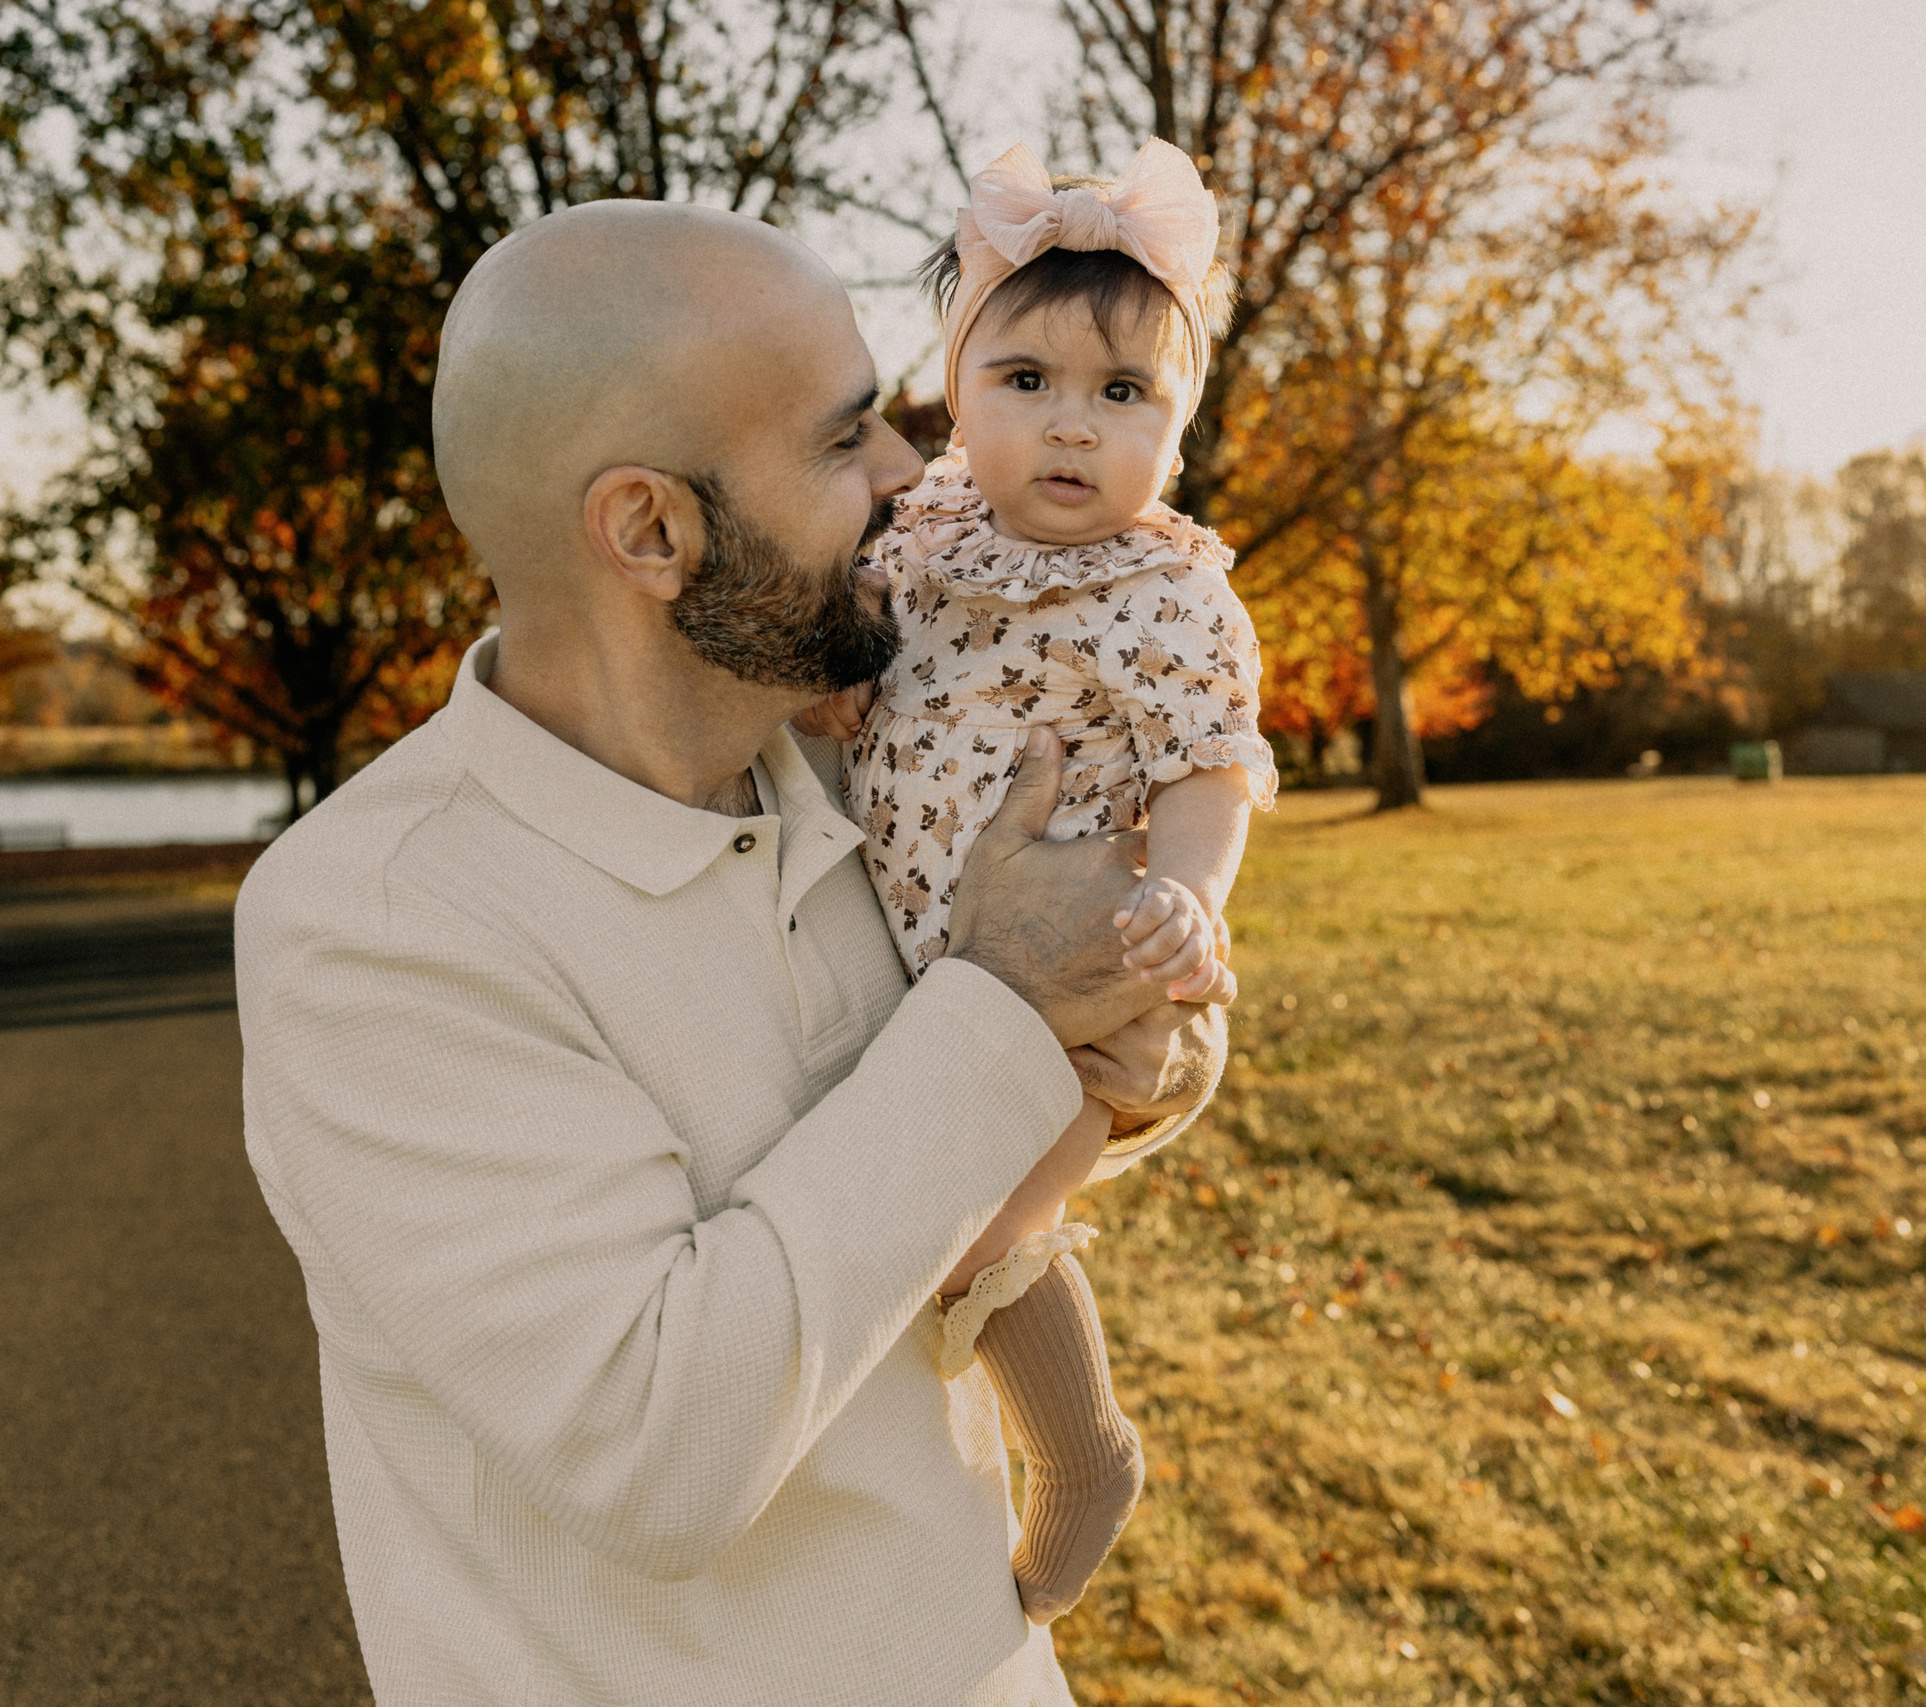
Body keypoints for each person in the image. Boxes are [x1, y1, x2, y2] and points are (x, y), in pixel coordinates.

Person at [234, 198, 1228, 1706]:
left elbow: (1085, 1071)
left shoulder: (866, 770)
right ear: (653, 531)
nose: (910, 472)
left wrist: (1144, 1024)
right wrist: (1008, 1007)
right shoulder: (374, 925)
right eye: (841, 441)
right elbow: (654, 1453)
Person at [795, 138, 1274, 1626]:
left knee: (979, 1222)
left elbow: (1210, 769)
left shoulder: (1170, 593)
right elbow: (866, 672)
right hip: (949, 973)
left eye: (1124, 395)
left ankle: (1084, 1460)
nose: (1072, 425)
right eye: (1026, 381)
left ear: (1176, 435)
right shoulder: (924, 542)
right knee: (933, 1198)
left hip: (1097, 987)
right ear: (957, 396)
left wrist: (1189, 895)